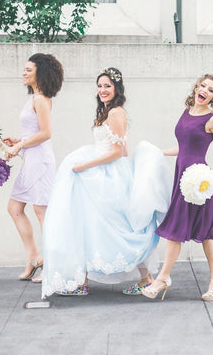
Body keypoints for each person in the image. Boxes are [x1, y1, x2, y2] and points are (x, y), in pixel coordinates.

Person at [41, 67, 171, 298]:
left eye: (107, 86)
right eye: (100, 86)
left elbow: (118, 152)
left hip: (108, 175)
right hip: (104, 175)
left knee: (113, 226)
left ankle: (143, 278)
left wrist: (86, 165)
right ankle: (88, 280)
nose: (102, 90)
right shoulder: (107, 111)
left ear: (117, 88)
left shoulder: (115, 113)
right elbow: (124, 148)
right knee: (92, 226)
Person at [141, 74, 213, 301]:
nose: (205, 91)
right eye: (203, 86)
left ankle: (210, 278)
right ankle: (171, 278)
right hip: (183, 181)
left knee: (206, 234)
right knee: (176, 229)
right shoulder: (187, 112)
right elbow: (184, 148)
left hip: (200, 184)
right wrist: (159, 152)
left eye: (211, 90)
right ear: (196, 88)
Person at [3, 53, 63, 283]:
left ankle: (52, 265)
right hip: (31, 158)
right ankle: (34, 257)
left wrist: (19, 145)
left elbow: (46, 133)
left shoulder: (41, 99)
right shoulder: (35, 98)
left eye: (28, 69)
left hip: (40, 161)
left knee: (42, 213)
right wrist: (17, 140)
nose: (24, 72)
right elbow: (35, 132)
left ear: (40, 72)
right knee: (14, 208)